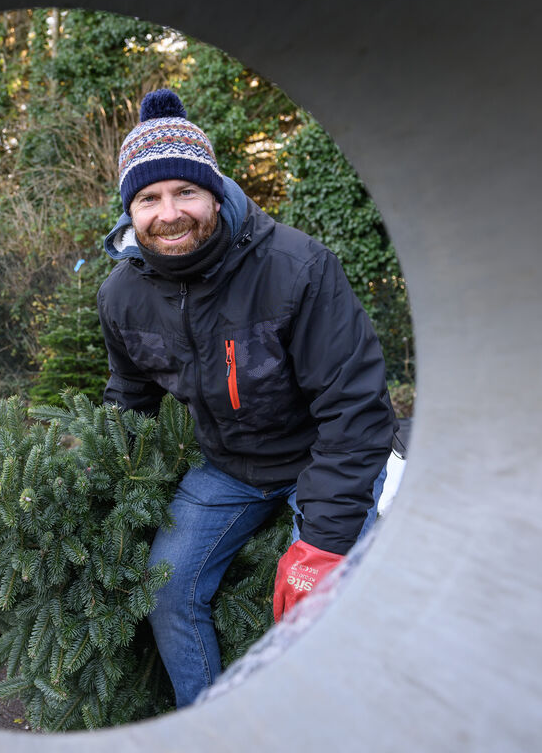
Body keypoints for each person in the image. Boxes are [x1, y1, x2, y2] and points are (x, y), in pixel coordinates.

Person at [97, 88, 395, 708]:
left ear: (215, 193)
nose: (169, 213)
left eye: (185, 191)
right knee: (165, 590)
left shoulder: (297, 267)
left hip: (318, 459)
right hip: (228, 469)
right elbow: (129, 398)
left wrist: (324, 542)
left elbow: (355, 407)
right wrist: (102, 484)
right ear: (130, 211)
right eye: (149, 198)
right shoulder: (122, 295)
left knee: (327, 608)